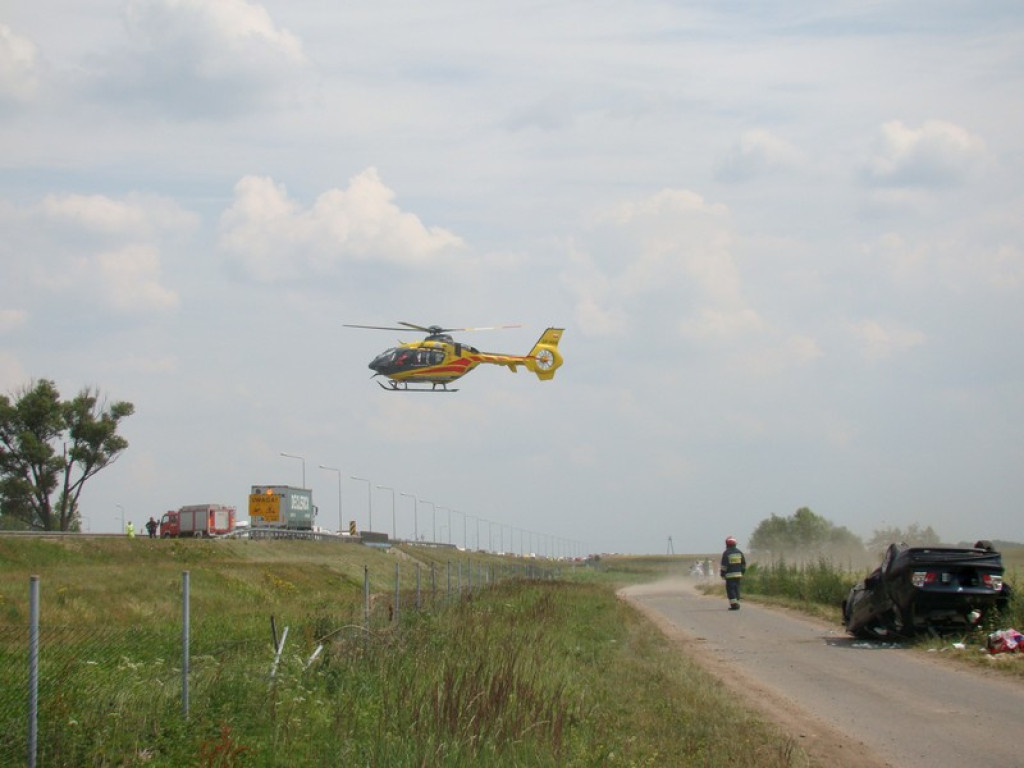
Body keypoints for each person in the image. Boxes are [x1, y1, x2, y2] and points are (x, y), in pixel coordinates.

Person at [720, 535, 746, 610]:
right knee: (737, 588)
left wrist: (722, 574)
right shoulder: (739, 552)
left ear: (727, 544)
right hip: (738, 575)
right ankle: (737, 601)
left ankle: (734, 605)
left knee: (730, 589)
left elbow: (724, 565)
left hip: (729, 576)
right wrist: (742, 572)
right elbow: (743, 564)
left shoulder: (726, 553)